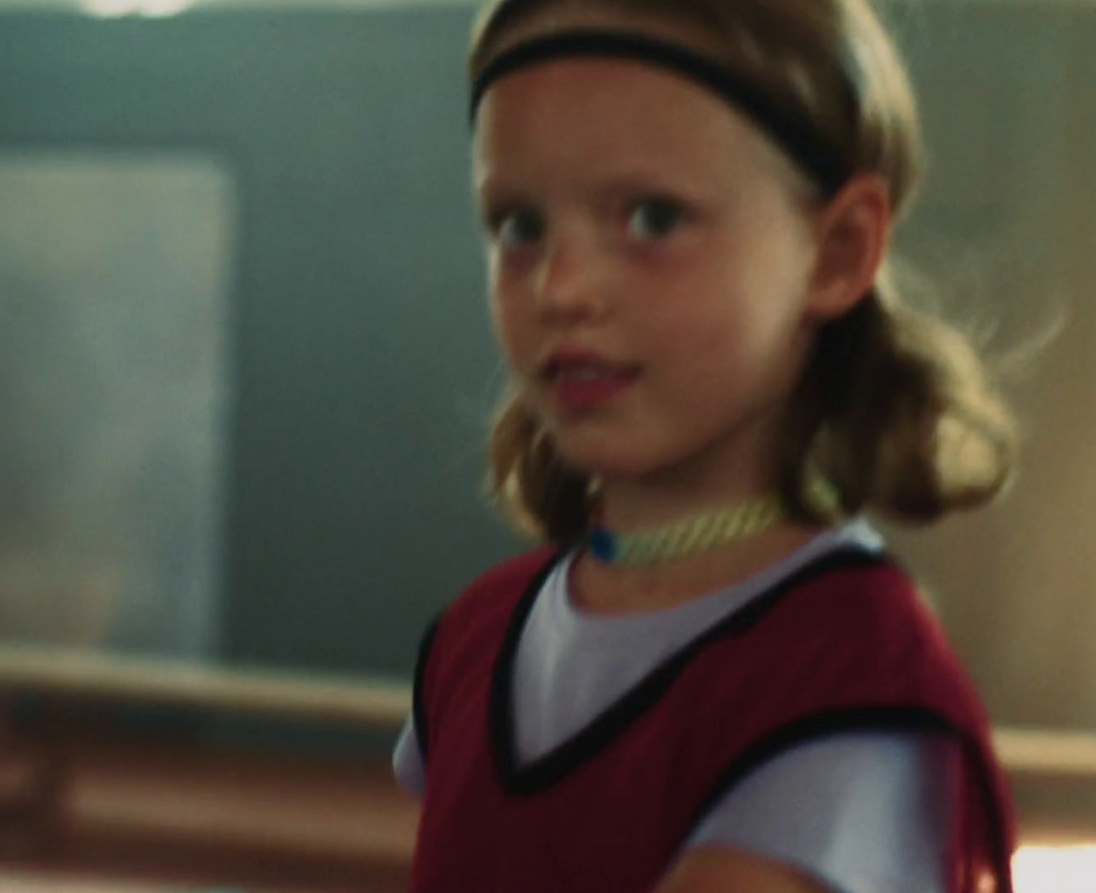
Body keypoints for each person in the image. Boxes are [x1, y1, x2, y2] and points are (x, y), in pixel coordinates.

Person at [394, 1, 1022, 891]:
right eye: (518, 226)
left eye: (652, 218)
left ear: (837, 250)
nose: (561, 288)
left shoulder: (844, 681)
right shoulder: (478, 639)